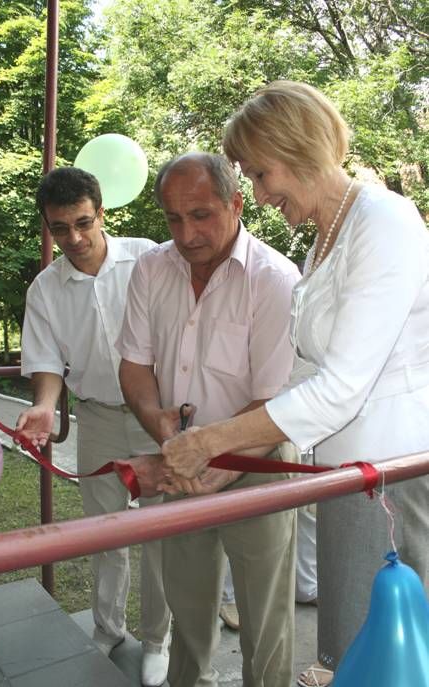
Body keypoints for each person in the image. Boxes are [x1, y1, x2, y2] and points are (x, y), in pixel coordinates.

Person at [160, 82, 429, 687]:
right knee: (351, 652)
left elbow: (341, 389)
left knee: (386, 660)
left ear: (298, 148)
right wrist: (231, 463)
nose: (257, 194)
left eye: (261, 174)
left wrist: (208, 442)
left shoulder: (384, 221)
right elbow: (305, 372)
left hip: (391, 477)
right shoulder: (327, 239)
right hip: (348, 478)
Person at [116, 152, 301, 687]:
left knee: (265, 619)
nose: (186, 234)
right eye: (174, 218)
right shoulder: (151, 268)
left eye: (200, 215)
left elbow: (274, 399)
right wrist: (158, 422)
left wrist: (211, 456)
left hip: (260, 463)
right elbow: (134, 365)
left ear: (236, 204)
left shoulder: (274, 278)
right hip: (180, 464)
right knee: (188, 607)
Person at [16, 167, 171, 687]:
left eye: (83, 223)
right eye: (60, 228)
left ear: (102, 213)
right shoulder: (45, 288)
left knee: (160, 533)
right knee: (104, 532)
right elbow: (45, 362)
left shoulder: (149, 257)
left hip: (157, 416)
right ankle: (108, 629)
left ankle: (158, 640)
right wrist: (44, 405)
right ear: (48, 226)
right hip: (99, 416)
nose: (74, 238)